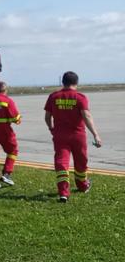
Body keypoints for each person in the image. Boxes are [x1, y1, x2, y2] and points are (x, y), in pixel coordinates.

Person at [44, 71, 103, 203]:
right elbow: (86, 116)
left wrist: (51, 128)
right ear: (76, 83)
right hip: (77, 135)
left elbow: (47, 117)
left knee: (61, 162)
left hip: (60, 135)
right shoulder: (80, 97)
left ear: (63, 82)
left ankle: (64, 192)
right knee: (81, 161)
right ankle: (82, 185)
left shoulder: (53, 96)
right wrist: (95, 134)